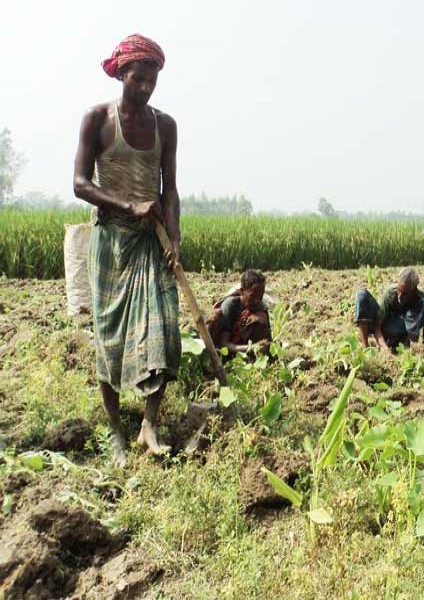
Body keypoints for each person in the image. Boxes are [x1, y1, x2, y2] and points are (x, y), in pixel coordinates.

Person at [73, 34, 180, 467]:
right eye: (139, 79)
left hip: (150, 242)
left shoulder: (166, 125)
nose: (146, 87)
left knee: (165, 326)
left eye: (153, 80)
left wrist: (174, 237)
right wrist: (129, 205)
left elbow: (169, 190)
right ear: (122, 73)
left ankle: (148, 424)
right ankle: (116, 429)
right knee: (110, 338)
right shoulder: (97, 119)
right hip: (110, 241)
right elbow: (80, 184)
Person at [355, 267, 424, 350]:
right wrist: (385, 349)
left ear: (414, 291)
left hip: (403, 331)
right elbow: (377, 326)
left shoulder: (423, 299)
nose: (399, 296)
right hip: (387, 325)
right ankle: (365, 347)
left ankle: (405, 347)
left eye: (404, 294)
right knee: (361, 295)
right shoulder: (390, 293)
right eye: (398, 291)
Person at [206, 270, 272, 355]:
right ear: (242, 291)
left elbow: (268, 341)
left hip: (244, 352)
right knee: (215, 317)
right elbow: (223, 345)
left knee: (259, 319)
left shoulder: (261, 307)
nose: (257, 301)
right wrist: (251, 348)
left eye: (260, 296)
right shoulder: (230, 305)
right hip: (221, 350)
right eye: (252, 296)